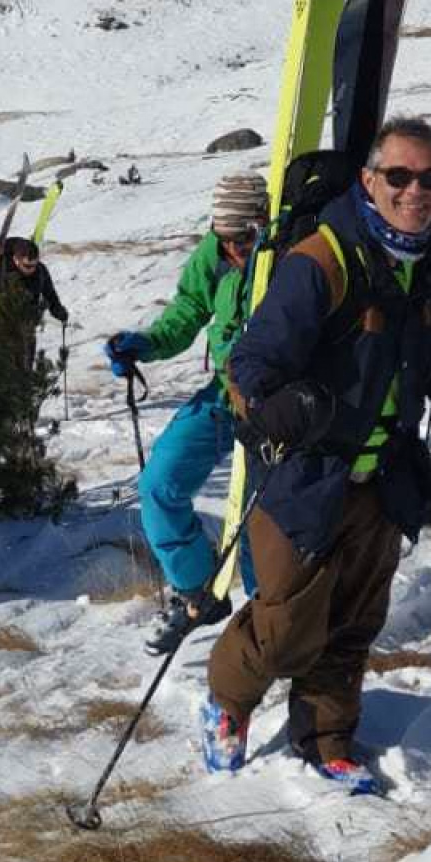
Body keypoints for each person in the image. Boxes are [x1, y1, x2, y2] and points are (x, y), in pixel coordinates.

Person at [204, 117, 431, 789]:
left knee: (355, 621)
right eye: (399, 176)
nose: (415, 190)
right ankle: (226, 704)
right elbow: (250, 367)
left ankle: (327, 737)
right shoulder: (324, 259)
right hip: (307, 475)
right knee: (283, 627)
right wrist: (281, 412)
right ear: (369, 179)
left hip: (383, 477)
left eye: (430, 178)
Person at [104, 173, 268, 655]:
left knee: (260, 514)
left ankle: (267, 619)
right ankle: (199, 593)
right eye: (226, 239)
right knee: (159, 484)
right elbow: (187, 312)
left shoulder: (284, 259)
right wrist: (147, 343)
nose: (234, 250)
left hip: (276, 400)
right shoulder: (212, 256)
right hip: (224, 392)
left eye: (243, 239)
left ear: (262, 224)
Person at [0, 236, 68, 363]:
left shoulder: (40, 271)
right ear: (16, 260)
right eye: (27, 266)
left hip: (27, 331)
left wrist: (58, 311)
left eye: (34, 265)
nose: (31, 269)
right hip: (1, 333)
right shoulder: (1, 271)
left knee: (26, 375)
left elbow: (50, 294)